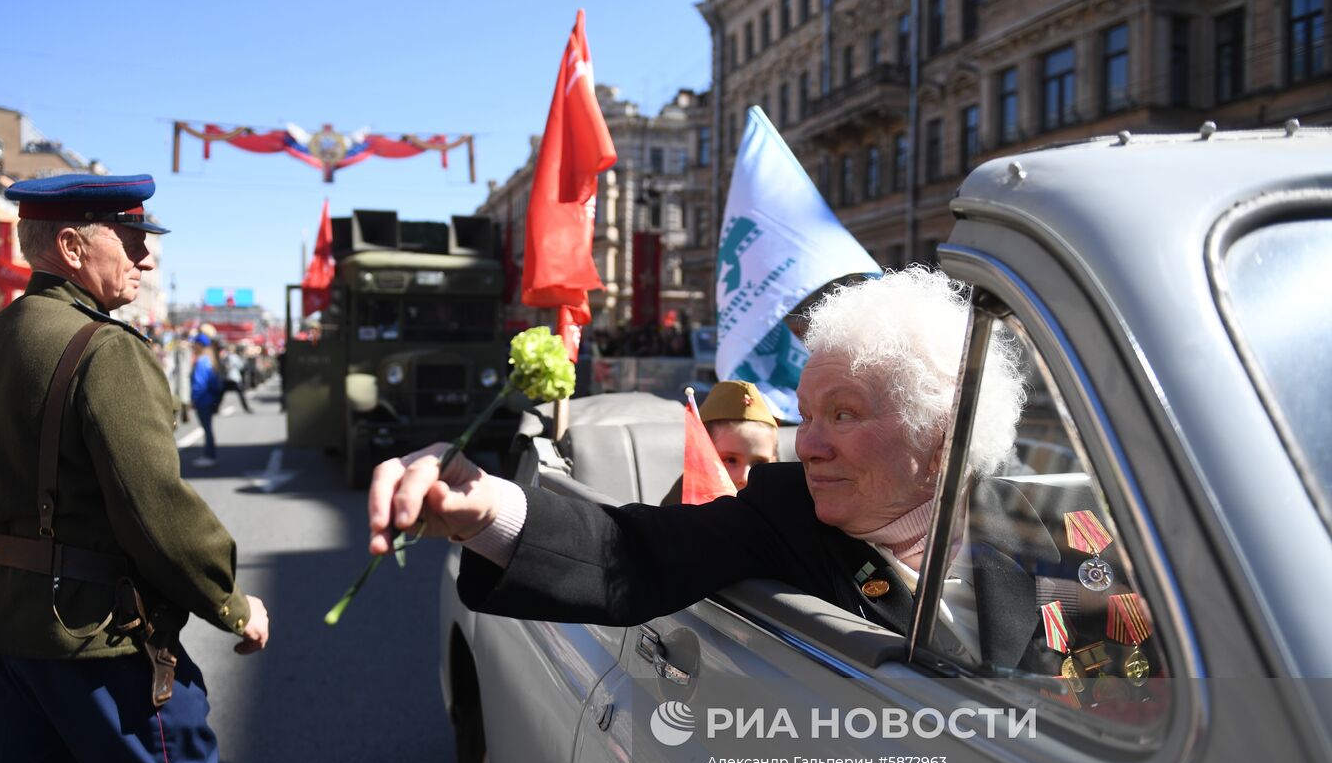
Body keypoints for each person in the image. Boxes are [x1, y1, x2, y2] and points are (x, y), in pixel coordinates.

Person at [368, 267, 1069, 671]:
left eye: (845, 415)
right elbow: (634, 551)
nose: (810, 443)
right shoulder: (783, 510)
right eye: (810, 414)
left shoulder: (1036, 527)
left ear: (941, 437)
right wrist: (488, 507)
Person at [0, 173, 268, 763]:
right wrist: (231, 602)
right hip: (88, 635)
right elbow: (157, 509)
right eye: (132, 239)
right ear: (71, 246)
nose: (147, 258)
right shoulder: (104, 349)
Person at [660, 379, 780, 504]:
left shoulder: (780, 505)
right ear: (701, 456)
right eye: (731, 460)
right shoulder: (680, 511)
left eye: (759, 463)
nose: (745, 477)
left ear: (774, 459)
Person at [190, 334, 223, 468]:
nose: (193, 346)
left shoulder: (201, 361)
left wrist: (194, 399)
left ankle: (209, 456)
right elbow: (214, 384)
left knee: (207, 429)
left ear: (199, 345)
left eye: (195, 343)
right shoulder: (209, 360)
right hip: (209, 399)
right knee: (208, 429)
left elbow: (199, 383)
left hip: (203, 400)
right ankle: (210, 455)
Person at [220, 344, 252, 413]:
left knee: (221, 394)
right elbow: (241, 366)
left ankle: (215, 408)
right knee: (241, 395)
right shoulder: (235, 357)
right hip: (234, 378)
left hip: (228, 378)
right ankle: (247, 409)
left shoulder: (226, 357)